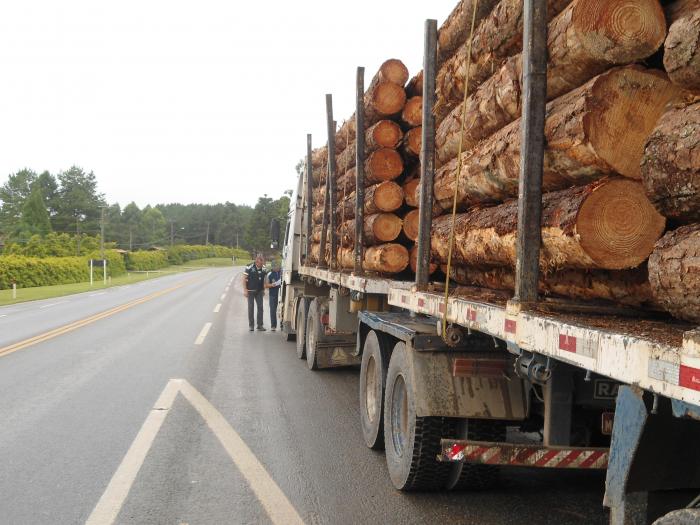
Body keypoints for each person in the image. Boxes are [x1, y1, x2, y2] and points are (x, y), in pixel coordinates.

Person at [243, 254, 267, 331]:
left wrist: (263, 289)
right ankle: (251, 326)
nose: (262, 264)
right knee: (251, 308)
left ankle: (260, 325)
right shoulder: (249, 267)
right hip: (250, 291)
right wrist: (245, 290)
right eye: (261, 262)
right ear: (257, 261)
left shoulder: (264, 268)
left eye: (263, 262)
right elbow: (244, 279)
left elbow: (264, 279)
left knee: (260, 308)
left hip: (259, 291)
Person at [266, 262, 282, 331]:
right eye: (275, 267)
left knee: (282, 309)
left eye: (278, 266)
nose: (277, 268)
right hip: (273, 295)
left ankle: (282, 325)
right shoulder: (269, 274)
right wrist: (272, 285)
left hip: (281, 294)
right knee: (273, 310)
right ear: (272, 267)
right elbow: (266, 285)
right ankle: (273, 326)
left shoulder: (282, 272)